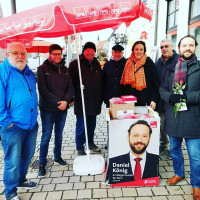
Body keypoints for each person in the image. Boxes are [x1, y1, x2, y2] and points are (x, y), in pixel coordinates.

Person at [159, 35, 200, 200]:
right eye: (185, 45)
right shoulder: (170, 68)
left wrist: (186, 96)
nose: (188, 48)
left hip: (193, 119)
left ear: (195, 47)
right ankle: (179, 173)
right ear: (179, 47)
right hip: (174, 117)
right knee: (175, 150)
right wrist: (170, 97)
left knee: (195, 156)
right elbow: (162, 87)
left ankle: (196, 185)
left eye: (191, 45)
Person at [0, 42, 38, 200]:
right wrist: (6, 122)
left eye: (23, 53)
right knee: (12, 160)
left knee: (27, 156)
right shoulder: (3, 72)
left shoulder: (28, 72)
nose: (20, 56)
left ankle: (21, 180)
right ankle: (10, 193)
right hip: (12, 126)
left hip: (31, 124)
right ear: (7, 55)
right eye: (16, 53)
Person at [37, 44, 74, 178]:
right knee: (46, 136)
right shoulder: (42, 69)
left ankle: (57, 156)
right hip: (48, 109)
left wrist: (66, 101)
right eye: (55, 54)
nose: (58, 56)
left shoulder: (65, 69)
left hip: (62, 109)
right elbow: (43, 90)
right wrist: (58, 103)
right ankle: (42, 163)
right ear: (49, 54)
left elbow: (70, 87)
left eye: (59, 54)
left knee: (59, 134)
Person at [69, 42, 103, 155]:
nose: (90, 52)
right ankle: (80, 146)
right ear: (83, 51)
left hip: (94, 102)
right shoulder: (75, 64)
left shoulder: (97, 64)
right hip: (82, 101)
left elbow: (100, 82)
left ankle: (90, 143)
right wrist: (72, 98)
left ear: (95, 52)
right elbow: (70, 83)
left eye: (92, 50)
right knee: (81, 126)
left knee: (91, 126)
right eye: (87, 50)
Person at [155, 39, 179, 154]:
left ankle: (174, 148)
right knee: (162, 123)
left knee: (173, 124)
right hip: (161, 98)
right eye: (162, 47)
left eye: (166, 46)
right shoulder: (158, 62)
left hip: (174, 98)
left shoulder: (179, 60)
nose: (164, 49)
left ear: (172, 47)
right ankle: (164, 143)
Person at [120, 41, 159, 110]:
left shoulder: (149, 63)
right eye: (136, 49)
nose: (139, 52)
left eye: (141, 49)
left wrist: (153, 99)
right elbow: (123, 85)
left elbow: (155, 83)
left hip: (145, 101)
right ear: (133, 50)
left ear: (144, 51)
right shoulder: (127, 62)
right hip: (129, 101)